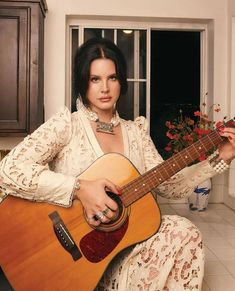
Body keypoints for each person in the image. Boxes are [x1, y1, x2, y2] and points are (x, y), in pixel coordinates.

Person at [0, 37, 235, 291]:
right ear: (83, 83)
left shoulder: (137, 132)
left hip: (125, 250)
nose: (105, 88)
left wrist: (220, 158)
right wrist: (79, 188)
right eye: (95, 79)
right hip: (74, 259)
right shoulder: (67, 125)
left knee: (184, 230)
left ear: (121, 81)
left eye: (112, 78)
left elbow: (170, 186)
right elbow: (9, 170)